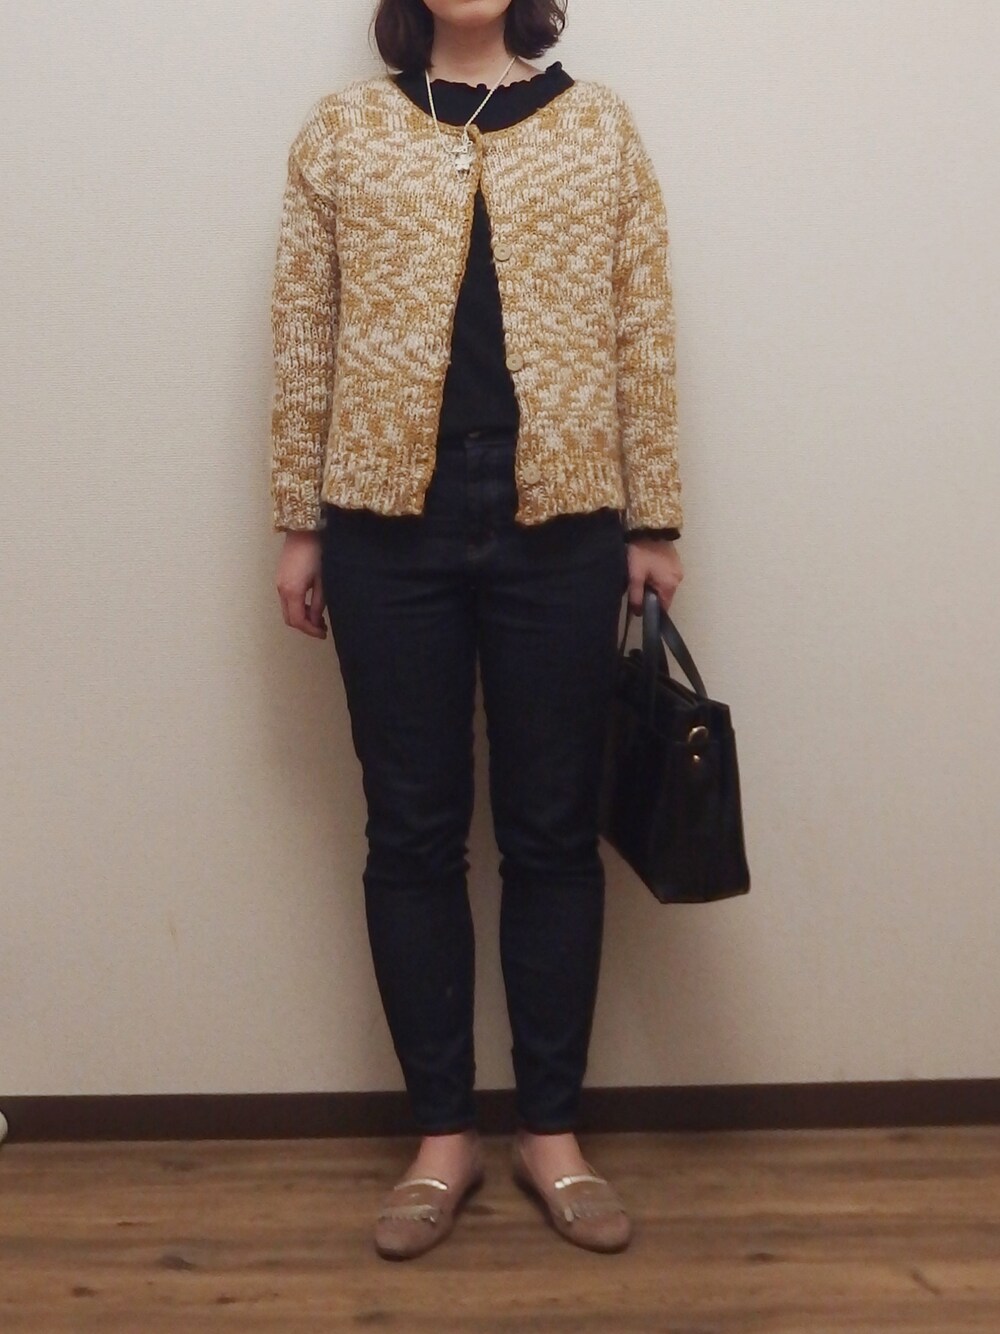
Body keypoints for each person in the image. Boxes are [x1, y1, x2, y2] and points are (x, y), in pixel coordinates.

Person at [269, 0, 685, 1259]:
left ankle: (550, 1129)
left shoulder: (601, 128)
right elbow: (304, 328)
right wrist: (297, 520)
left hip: (561, 517)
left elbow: (642, 323)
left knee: (553, 829)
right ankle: (442, 1133)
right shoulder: (340, 132)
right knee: (411, 828)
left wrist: (653, 517)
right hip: (382, 522)